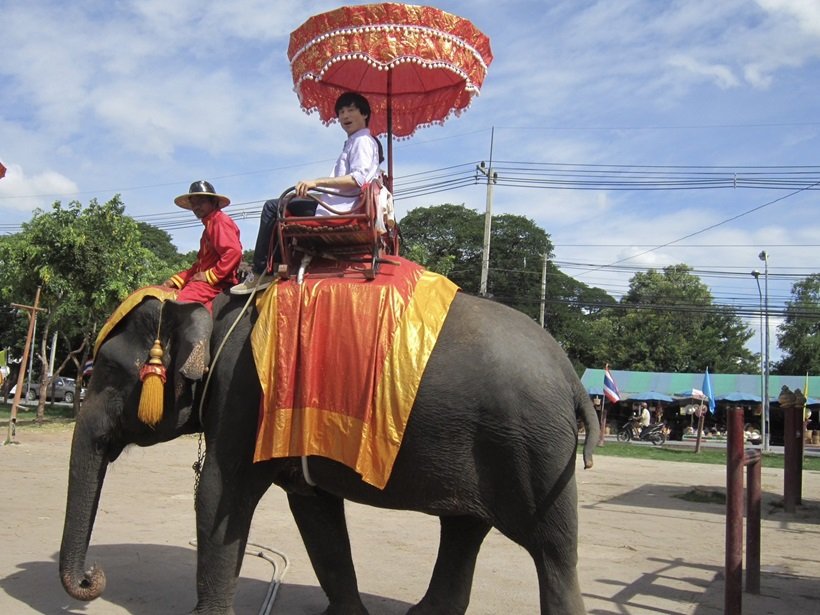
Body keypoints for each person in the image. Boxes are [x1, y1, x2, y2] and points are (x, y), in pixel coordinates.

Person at [231, 91, 382, 295]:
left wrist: (315, 182)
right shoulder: (356, 141)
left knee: (274, 207)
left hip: (341, 209)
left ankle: (260, 271)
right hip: (341, 204)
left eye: (351, 110)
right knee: (290, 203)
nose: (345, 116)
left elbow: (358, 179)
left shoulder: (362, 141)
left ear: (364, 114)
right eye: (341, 112)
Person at [163, 180, 242, 309]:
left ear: (213, 202)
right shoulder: (208, 228)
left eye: (201, 202)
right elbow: (199, 266)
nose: (196, 207)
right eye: (193, 203)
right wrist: (176, 280)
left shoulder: (219, 221)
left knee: (179, 304)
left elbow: (233, 252)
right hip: (207, 282)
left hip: (216, 284)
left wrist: (210, 276)